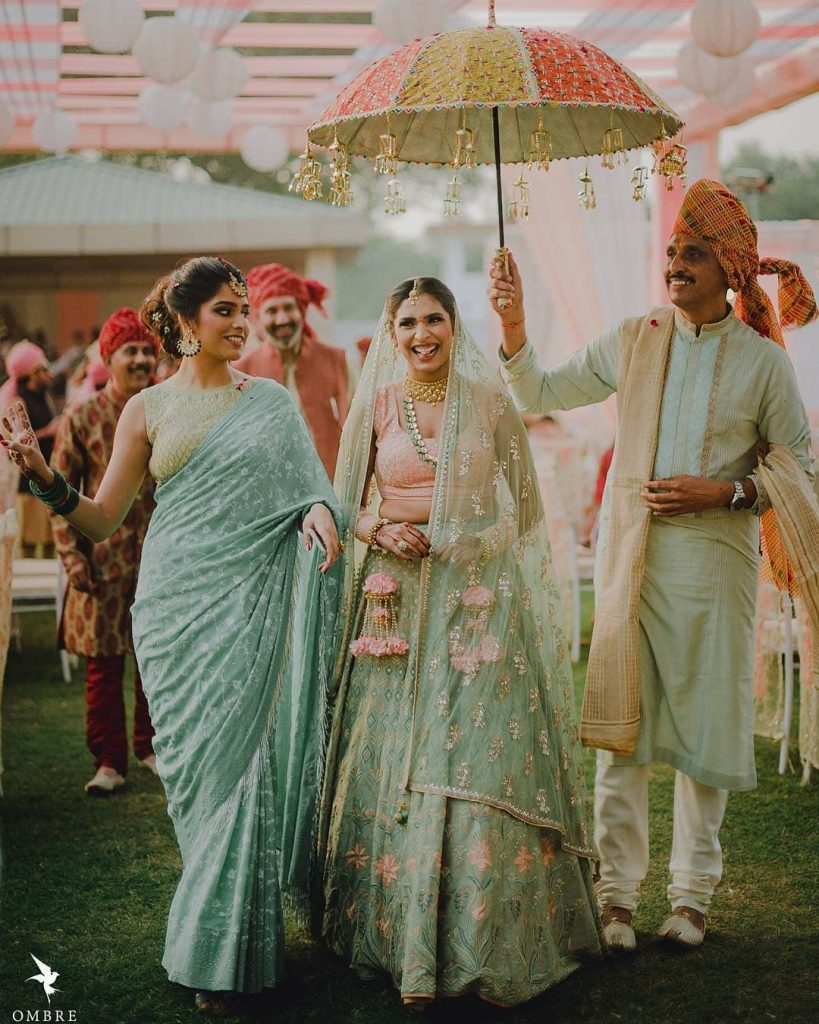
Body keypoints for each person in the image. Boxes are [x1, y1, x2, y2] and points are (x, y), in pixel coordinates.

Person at [1, 256, 342, 1014]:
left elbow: (309, 489)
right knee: (196, 786)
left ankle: (222, 956)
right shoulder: (146, 410)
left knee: (240, 775)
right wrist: (39, 474)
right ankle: (221, 938)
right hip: (171, 611)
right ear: (185, 322)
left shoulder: (273, 403)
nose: (239, 319)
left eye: (242, 306)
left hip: (246, 605)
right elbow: (103, 517)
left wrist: (318, 512)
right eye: (224, 308)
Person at [489, 179, 817, 951]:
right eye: (670, 252)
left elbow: (798, 467)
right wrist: (511, 322)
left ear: (729, 268)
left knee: (705, 727)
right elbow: (540, 387)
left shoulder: (761, 364)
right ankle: (615, 896)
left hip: (715, 566)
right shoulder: (634, 336)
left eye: (691, 254)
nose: (673, 265)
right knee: (620, 727)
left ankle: (692, 896)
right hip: (631, 561)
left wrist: (724, 491)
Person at [318, 277, 602, 1010]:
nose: (420, 334)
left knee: (470, 751)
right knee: (405, 756)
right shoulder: (376, 404)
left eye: (433, 319)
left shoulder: (488, 401)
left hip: (475, 606)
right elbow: (344, 503)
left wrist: (473, 542)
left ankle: (484, 936)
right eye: (407, 321)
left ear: (454, 324)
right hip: (395, 608)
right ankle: (403, 943)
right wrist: (380, 530)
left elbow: (527, 510)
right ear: (391, 330)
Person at [51, 308, 159, 796]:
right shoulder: (83, 416)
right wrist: (73, 558)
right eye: (128, 351)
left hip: (160, 560)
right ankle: (110, 762)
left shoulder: (165, 407)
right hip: (102, 562)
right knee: (103, 666)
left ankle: (150, 748)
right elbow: (55, 492)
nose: (139, 359)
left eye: (145, 350)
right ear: (108, 358)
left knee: (154, 661)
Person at [234, 262, 354, 477]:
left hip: (330, 482)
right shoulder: (243, 370)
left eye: (288, 308)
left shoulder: (336, 360)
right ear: (258, 318)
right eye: (272, 310)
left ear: (301, 311)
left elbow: (356, 427)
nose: (282, 319)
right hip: (270, 487)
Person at [0, 340, 59, 556]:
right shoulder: (18, 402)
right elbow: (14, 444)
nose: (49, 374)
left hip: (48, 478)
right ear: (30, 375)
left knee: (51, 545)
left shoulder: (46, 399)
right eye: (42, 369)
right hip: (28, 485)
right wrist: (48, 431)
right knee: (28, 546)